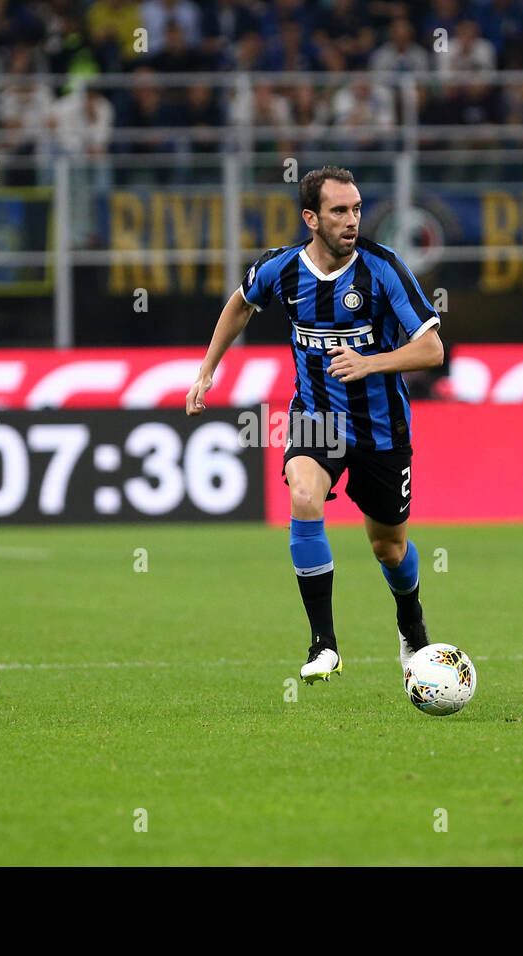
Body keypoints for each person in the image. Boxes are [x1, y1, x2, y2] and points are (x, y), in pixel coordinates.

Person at [185, 166, 446, 685]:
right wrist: (208, 368)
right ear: (311, 218)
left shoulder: (385, 268)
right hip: (316, 417)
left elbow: (432, 348)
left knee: (389, 549)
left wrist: (371, 362)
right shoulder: (281, 269)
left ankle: (411, 622)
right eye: (339, 212)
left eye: (355, 210)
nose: (352, 221)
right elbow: (240, 304)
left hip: (381, 427)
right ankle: (324, 643)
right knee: (303, 493)